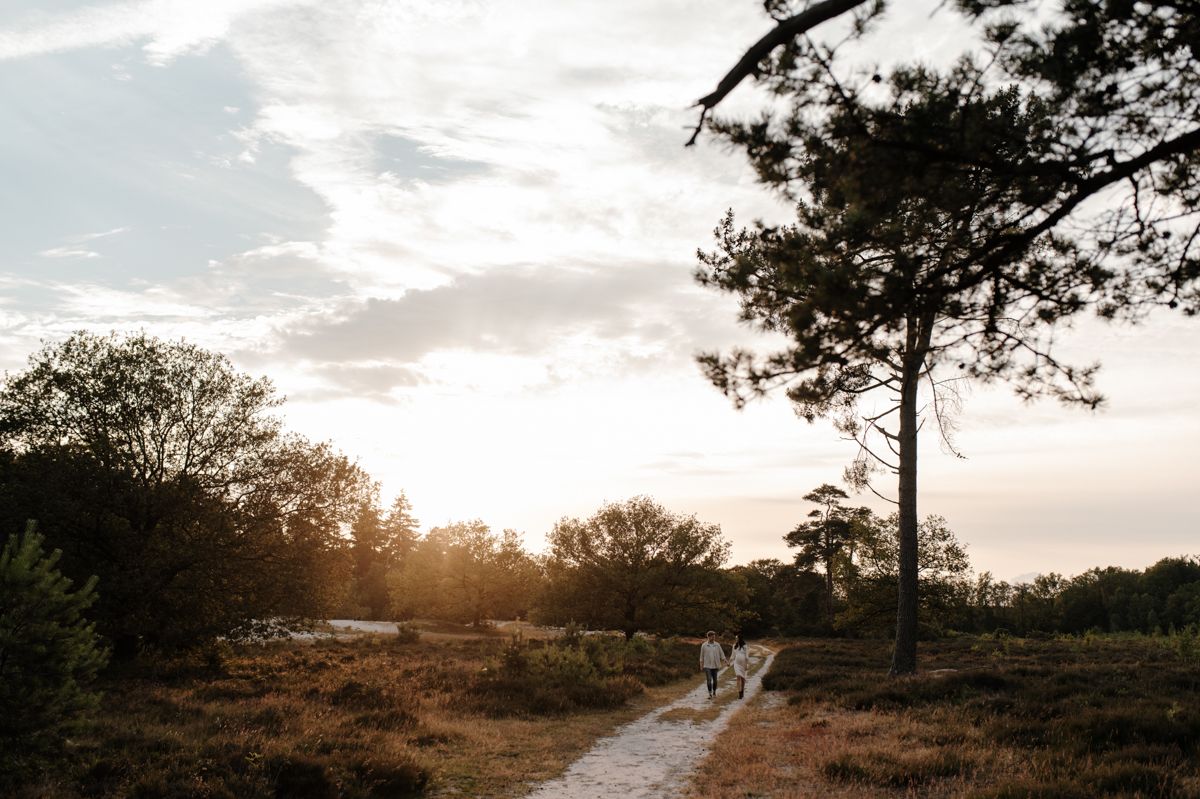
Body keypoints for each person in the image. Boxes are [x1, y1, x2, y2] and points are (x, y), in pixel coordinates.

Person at [699, 630, 727, 698]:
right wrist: (701, 665)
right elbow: (701, 656)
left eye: (714, 637)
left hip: (715, 665)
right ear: (708, 637)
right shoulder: (704, 645)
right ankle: (710, 693)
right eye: (712, 637)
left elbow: (721, 653)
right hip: (707, 665)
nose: (713, 638)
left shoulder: (717, 645)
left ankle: (714, 692)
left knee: (715, 680)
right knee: (709, 680)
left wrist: (725, 660)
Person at [731, 634, 750, 699]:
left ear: (740, 638)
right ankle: (739, 693)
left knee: (743, 679)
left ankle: (742, 691)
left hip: (743, 664)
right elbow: (732, 655)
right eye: (735, 638)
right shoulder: (734, 646)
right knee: (738, 677)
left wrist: (747, 664)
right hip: (736, 663)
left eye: (737, 638)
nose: (736, 639)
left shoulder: (745, 646)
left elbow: (747, 656)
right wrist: (728, 662)